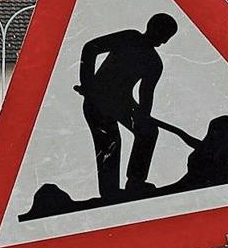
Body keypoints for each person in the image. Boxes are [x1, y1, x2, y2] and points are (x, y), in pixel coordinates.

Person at [75, 13, 178, 198]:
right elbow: (90, 48)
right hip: (97, 101)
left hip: (122, 104)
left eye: (166, 38)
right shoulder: (129, 37)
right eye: (164, 35)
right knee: (110, 142)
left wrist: (143, 117)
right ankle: (110, 193)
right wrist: (88, 85)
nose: (163, 42)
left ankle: (135, 183)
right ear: (153, 27)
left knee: (148, 131)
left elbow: (146, 95)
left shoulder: (155, 63)